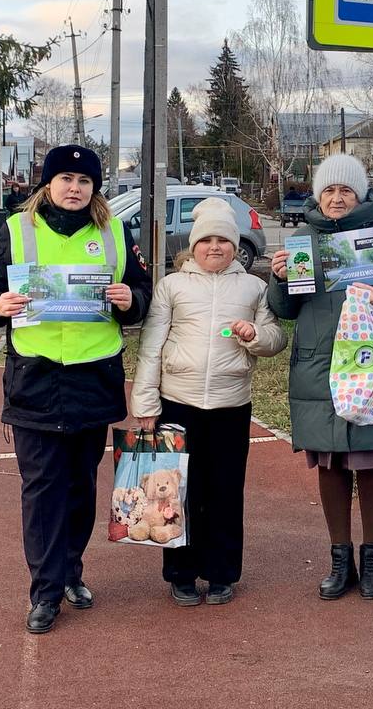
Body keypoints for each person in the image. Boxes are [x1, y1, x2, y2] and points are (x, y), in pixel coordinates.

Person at [0, 144, 153, 634]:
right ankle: (45, 592)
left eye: (84, 181)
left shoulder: (115, 230)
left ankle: (71, 569)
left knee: (79, 485)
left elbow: (143, 293)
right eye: (66, 179)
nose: (75, 188)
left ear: (96, 188)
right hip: (36, 378)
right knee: (42, 488)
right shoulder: (16, 230)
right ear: (48, 184)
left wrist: (127, 300)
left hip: (94, 377)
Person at [267, 154, 373, 601]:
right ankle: (339, 560)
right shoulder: (304, 240)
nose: (337, 198)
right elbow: (286, 310)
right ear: (318, 196)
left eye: (345, 190)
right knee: (332, 463)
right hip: (320, 367)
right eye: (329, 190)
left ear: (360, 194)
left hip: (372, 364)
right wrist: (280, 280)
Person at [129, 197, 287, 607]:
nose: (214, 247)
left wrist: (254, 335)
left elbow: (276, 339)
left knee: (225, 490)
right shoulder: (172, 286)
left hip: (231, 405)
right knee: (175, 493)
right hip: (176, 403)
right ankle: (180, 573)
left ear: (236, 246)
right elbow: (151, 348)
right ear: (193, 245)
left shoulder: (255, 287)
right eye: (206, 240)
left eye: (223, 240)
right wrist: (145, 405)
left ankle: (222, 573)